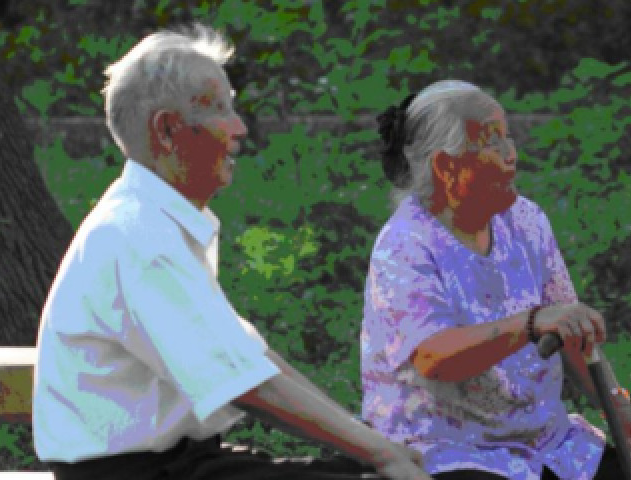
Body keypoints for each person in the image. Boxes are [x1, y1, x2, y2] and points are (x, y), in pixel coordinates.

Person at [33, 24, 430, 480]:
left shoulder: (154, 220)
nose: (239, 128)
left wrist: (370, 444)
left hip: (177, 464)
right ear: (167, 130)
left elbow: (252, 362)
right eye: (220, 109)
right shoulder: (139, 236)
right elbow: (250, 387)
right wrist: (379, 453)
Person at [361, 80, 631, 480]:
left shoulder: (525, 222)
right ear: (446, 166)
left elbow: (570, 333)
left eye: (507, 136)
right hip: (447, 449)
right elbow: (434, 357)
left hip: (546, 443)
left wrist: (621, 412)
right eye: (491, 141)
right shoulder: (406, 243)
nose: (510, 153)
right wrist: (532, 323)